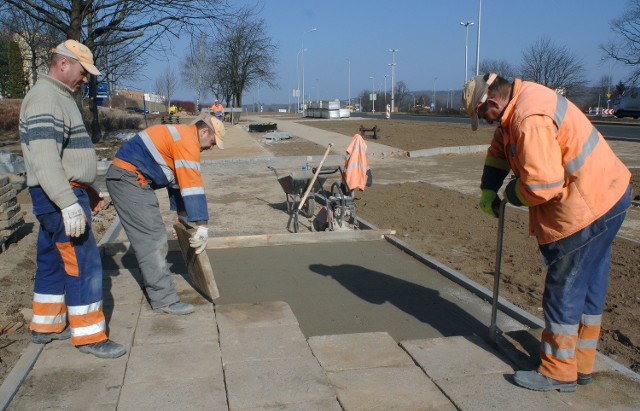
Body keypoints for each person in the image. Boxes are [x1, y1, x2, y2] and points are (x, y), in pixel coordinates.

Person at [463, 73, 632, 392]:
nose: (487, 124)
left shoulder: (529, 118)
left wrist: (509, 196)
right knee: (589, 282)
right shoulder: (520, 102)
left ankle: (558, 371)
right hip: (610, 193)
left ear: (494, 103)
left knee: (564, 286)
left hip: (586, 208)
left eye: (484, 116)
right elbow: (500, 148)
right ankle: (580, 364)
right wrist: (488, 188)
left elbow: (543, 185)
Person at [19, 40, 126, 359]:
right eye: (83, 71)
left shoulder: (55, 97)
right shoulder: (45, 99)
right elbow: (44, 158)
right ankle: (90, 335)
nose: (85, 79)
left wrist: (86, 192)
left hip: (58, 192)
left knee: (52, 258)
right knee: (84, 262)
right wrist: (67, 202)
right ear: (63, 64)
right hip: (58, 194)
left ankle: (46, 325)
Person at [105, 113, 225, 315]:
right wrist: (202, 225)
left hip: (130, 178)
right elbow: (193, 185)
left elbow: (178, 186)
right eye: (212, 141)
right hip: (129, 179)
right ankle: (164, 299)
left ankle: (154, 283)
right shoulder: (187, 141)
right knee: (153, 238)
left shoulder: (179, 136)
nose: (211, 147)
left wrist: (183, 221)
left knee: (152, 235)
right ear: (204, 131)